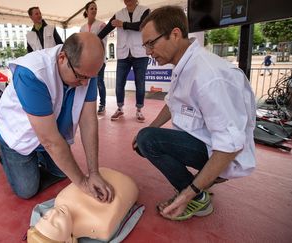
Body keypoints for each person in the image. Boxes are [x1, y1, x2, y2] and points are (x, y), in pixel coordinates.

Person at [134, 5, 256, 221]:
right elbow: (172, 103)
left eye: (151, 43)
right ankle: (203, 182)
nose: (147, 52)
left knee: (148, 141)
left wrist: (189, 192)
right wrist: (150, 127)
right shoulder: (185, 65)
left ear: (175, 34)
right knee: (145, 139)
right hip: (207, 142)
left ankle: (197, 198)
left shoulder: (207, 75)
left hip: (224, 153)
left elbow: (231, 146)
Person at [0, 32, 114, 201]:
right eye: (80, 76)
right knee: (27, 189)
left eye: (90, 77)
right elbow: (49, 140)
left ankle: (37, 159)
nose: (85, 83)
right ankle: (6, 156)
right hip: (18, 133)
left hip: (50, 131)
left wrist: (93, 172)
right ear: (62, 58)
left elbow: (88, 122)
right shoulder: (32, 72)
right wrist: (82, 183)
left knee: (62, 172)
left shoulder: (87, 71)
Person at [27, 168, 139, 242]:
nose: (53, 212)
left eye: (45, 217)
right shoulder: (102, 226)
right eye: (56, 224)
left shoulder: (59, 201)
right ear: (68, 241)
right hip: (129, 184)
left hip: (100, 172)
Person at [98, 0, 150, 122]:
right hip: (123, 53)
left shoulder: (145, 10)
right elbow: (106, 30)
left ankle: (139, 110)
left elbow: (142, 26)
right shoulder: (118, 13)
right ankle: (120, 108)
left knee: (140, 83)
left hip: (140, 53)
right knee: (119, 83)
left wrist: (123, 24)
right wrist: (93, 39)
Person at [80, 1, 107, 115]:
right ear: (86, 11)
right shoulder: (82, 28)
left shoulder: (102, 25)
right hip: (86, 62)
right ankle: (88, 105)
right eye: (92, 8)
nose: (94, 10)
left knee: (99, 82)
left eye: (95, 8)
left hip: (99, 60)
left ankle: (102, 104)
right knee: (87, 83)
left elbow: (103, 43)